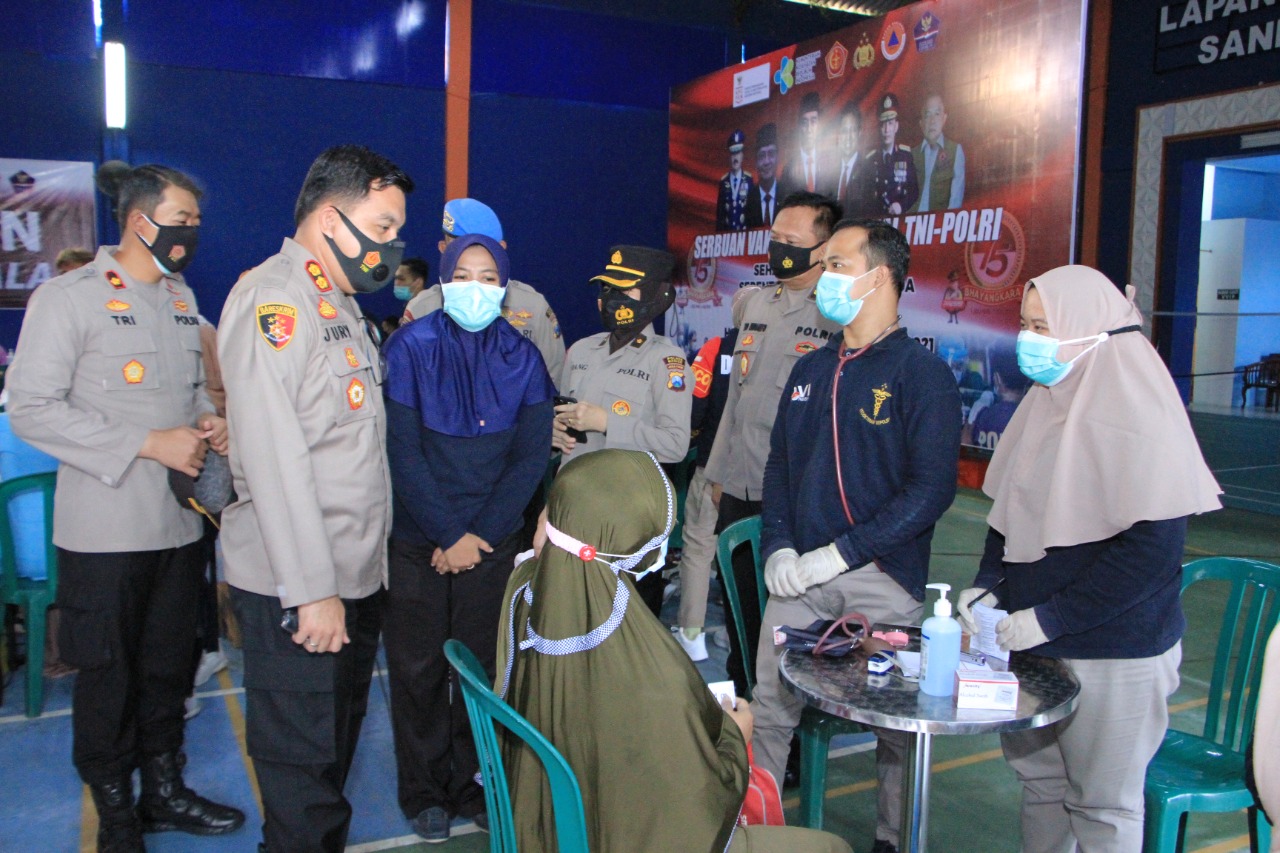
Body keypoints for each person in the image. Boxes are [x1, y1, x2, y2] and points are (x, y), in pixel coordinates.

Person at [7, 162, 244, 852]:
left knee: (168, 669)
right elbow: (31, 408)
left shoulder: (178, 297)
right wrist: (145, 442)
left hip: (177, 524)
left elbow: (189, 391)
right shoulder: (68, 298)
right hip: (105, 532)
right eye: (181, 218)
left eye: (196, 221)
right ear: (140, 221)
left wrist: (206, 421)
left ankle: (164, 791)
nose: (191, 231)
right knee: (109, 676)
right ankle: (116, 813)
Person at [956, 265, 1222, 853]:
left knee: (1103, 806)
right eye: (1025, 324)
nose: (1027, 340)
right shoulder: (1044, 404)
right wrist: (989, 585)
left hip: (1114, 649)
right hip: (1033, 644)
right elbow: (1010, 513)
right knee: (1042, 787)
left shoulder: (1141, 416)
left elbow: (1148, 556)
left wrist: (1049, 618)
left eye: (1043, 327)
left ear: (1091, 333)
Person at [496, 449, 853, 853]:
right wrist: (735, 740)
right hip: (621, 832)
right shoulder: (646, 667)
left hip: (546, 824)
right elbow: (690, 801)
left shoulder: (523, 594)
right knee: (832, 847)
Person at [218, 144, 413, 853]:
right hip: (300, 589)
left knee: (329, 762)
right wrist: (312, 592)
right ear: (332, 220)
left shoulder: (340, 305)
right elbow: (273, 459)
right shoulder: (275, 300)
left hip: (350, 578)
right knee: (302, 777)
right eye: (383, 227)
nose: (392, 246)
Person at [754, 218, 961, 853]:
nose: (823, 276)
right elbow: (780, 467)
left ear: (880, 277)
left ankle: (892, 840)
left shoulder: (922, 376)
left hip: (881, 579)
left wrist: (840, 555)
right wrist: (778, 546)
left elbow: (931, 491)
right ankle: (759, 832)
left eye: (838, 265)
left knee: (896, 727)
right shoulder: (810, 368)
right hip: (800, 580)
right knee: (769, 709)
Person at [381, 234, 554, 843]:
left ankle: (473, 783)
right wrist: (447, 532)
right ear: (443, 281)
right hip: (419, 541)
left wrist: (477, 535)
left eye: (487, 277)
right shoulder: (409, 348)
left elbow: (530, 460)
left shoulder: (526, 359)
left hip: (491, 542)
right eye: (463, 275)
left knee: (483, 670)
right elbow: (403, 452)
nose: (474, 288)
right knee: (418, 670)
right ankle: (425, 791)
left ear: (504, 286)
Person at [703, 191, 842, 697]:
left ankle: (787, 725)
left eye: (792, 240)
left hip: (794, 496)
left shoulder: (837, 314)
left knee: (788, 623)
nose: (779, 248)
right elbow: (735, 400)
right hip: (739, 483)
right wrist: (717, 473)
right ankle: (744, 711)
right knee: (740, 611)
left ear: (824, 249)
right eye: (775, 237)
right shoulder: (757, 304)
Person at [553, 245, 691, 616]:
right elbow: (565, 421)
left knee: (628, 622)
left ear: (655, 296)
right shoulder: (581, 351)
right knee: (573, 616)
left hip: (630, 520)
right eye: (607, 289)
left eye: (625, 290)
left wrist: (607, 423)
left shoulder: (667, 361)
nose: (612, 299)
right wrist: (554, 433)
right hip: (574, 511)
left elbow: (675, 444)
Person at [403, 198, 565, 379]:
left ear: (501, 249)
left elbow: (551, 376)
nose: (468, 255)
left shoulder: (532, 306)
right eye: (457, 247)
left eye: (481, 247)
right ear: (443, 248)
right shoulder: (422, 308)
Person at [673, 325, 739, 661]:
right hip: (762, 474)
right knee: (750, 554)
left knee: (699, 549)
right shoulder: (789, 347)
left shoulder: (716, 347)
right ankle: (738, 632)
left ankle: (692, 635)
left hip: (713, 466)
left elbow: (695, 409)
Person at [910, 94, 966, 213]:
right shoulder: (911, 155)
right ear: (921, 123)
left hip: (939, 222)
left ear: (944, 118)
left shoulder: (955, 151)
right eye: (927, 115)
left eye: (937, 114)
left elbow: (955, 200)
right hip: (910, 222)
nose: (932, 121)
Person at [866, 93, 919, 216]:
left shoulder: (905, 156)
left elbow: (914, 190)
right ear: (879, 128)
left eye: (890, 123)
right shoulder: (870, 159)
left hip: (899, 220)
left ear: (896, 126)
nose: (886, 130)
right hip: (876, 220)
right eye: (883, 124)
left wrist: (901, 206)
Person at [780, 92, 834, 199]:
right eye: (805, 123)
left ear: (820, 124)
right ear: (800, 127)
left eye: (813, 121)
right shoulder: (788, 169)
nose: (809, 129)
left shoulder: (830, 163)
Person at [830, 106, 871, 217]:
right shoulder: (829, 173)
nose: (848, 137)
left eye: (852, 130)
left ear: (859, 133)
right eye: (844, 131)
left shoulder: (868, 171)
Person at [716, 129, 754, 232]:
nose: (735, 158)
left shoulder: (749, 180)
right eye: (733, 154)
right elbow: (720, 216)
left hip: (744, 236)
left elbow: (752, 213)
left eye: (738, 153)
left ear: (742, 155)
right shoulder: (724, 182)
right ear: (729, 157)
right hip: (727, 237)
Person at [744, 123, 780, 229]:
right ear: (755, 162)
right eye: (762, 155)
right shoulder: (748, 200)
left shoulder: (787, 196)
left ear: (777, 158)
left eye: (771, 154)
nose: (767, 162)